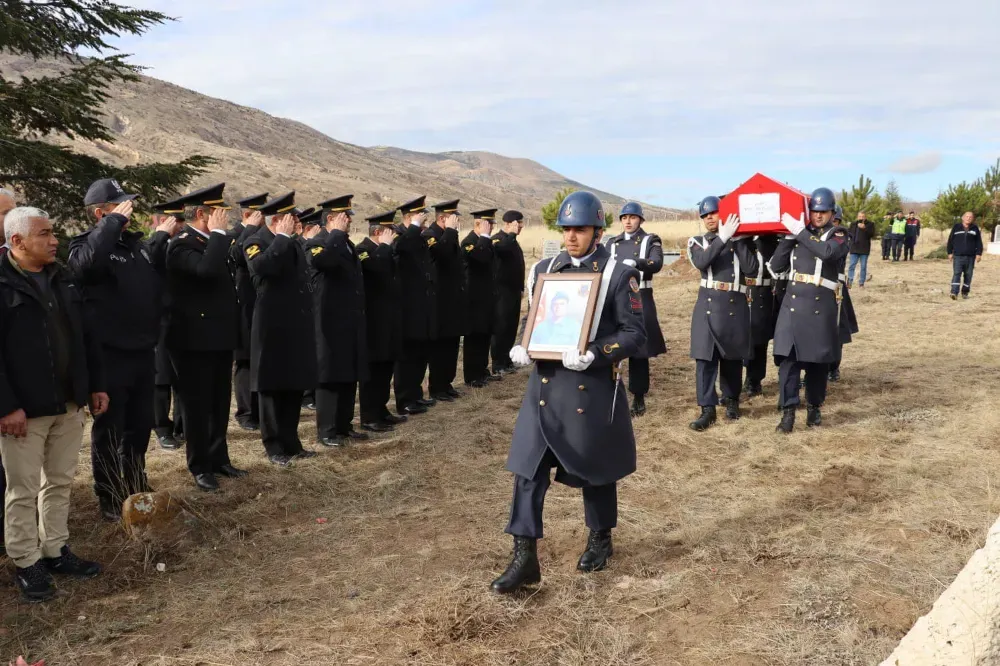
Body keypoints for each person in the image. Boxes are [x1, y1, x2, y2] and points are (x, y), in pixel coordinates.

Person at [490, 191, 645, 594]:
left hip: (588, 384)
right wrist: (524, 341)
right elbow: (535, 316)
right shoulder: (545, 268)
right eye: (566, 228)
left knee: (595, 468)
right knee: (527, 469)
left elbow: (633, 334)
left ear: (597, 230)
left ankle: (600, 537)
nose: (572, 236)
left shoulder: (617, 272)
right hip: (544, 386)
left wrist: (596, 353)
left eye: (580, 228)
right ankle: (524, 556)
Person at [0, 206, 108, 601]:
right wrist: (6, 406)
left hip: (67, 403)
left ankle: (55, 549)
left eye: (53, 233)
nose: (54, 240)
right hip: (23, 412)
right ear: (17, 241)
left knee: (59, 481)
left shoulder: (62, 278)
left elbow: (84, 338)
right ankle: (27, 562)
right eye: (44, 234)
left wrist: (94, 386)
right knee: (22, 489)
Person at [68, 178, 181, 520]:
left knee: (139, 426)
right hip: (109, 356)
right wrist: (111, 223)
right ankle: (108, 495)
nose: (128, 211)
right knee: (109, 430)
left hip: (142, 353)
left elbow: (153, 291)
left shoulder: (135, 248)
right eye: (119, 206)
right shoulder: (87, 245)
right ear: (101, 212)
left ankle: (135, 484)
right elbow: (84, 267)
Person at [164, 184, 247, 491]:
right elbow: (205, 271)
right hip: (192, 340)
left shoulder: (212, 242)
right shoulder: (183, 244)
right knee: (197, 406)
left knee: (219, 401)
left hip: (219, 336)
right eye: (219, 214)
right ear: (202, 214)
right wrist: (220, 235)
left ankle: (218, 457)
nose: (225, 220)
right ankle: (200, 465)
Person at [243, 192, 318, 466]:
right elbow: (263, 269)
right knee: (272, 388)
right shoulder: (255, 242)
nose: (297, 222)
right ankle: (274, 446)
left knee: (293, 385)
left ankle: (291, 442)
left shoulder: (294, 244)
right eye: (292, 217)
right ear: (279, 220)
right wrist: (282, 239)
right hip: (271, 327)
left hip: (295, 325)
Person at [767, 187, 851, 433]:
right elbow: (775, 266)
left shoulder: (840, 234)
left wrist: (800, 232)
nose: (818, 216)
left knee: (817, 363)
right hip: (792, 305)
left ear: (832, 212)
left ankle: (814, 405)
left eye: (823, 211)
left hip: (819, 304)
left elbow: (827, 253)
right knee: (788, 361)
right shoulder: (800, 234)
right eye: (814, 211)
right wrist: (789, 238)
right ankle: (788, 411)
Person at [304, 195, 370, 446]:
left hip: (348, 320)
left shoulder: (345, 243)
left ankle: (344, 425)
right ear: (331, 219)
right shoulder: (318, 242)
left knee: (347, 373)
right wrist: (335, 234)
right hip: (327, 321)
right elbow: (323, 262)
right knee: (329, 375)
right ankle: (327, 430)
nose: (349, 221)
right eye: (345, 217)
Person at [687, 197, 757, 430]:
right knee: (705, 358)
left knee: (732, 357)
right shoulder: (697, 242)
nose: (709, 218)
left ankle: (732, 400)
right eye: (705, 215)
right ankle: (707, 408)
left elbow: (752, 270)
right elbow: (702, 262)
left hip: (735, 304)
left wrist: (737, 240)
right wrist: (723, 237)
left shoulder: (742, 241)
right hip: (707, 304)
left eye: (714, 213)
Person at [604, 202, 666, 416]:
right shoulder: (612, 243)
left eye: (632, 217)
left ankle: (638, 396)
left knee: (639, 350)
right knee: (611, 345)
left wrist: (638, 263)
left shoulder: (651, 240)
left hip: (641, 296)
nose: (628, 221)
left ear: (640, 219)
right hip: (615, 298)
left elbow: (656, 263)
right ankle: (610, 389)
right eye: (624, 218)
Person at [357, 211, 405, 432]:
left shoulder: (386, 251)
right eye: (389, 232)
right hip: (373, 321)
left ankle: (381, 408)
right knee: (373, 370)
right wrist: (385, 247)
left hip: (390, 319)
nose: (393, 236)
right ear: (378, 232)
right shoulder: (363, 251)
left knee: (386, 366)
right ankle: (369, 415)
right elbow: (376, 269)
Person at [393, 196, 437, 415]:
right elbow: (400, 248)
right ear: (410, 217)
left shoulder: (417, 237)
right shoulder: (400, 235)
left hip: (423, 305)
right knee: (408, 356)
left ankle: (416, 395)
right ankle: (404, 399)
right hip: (407, 307)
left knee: (421, 353)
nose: (424, 220)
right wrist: (414, 227)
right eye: (420, 217)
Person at [231, 192, 269, 431]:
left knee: (260, 358)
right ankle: (246, 412)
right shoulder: (236, 234)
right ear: (248, 215)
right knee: (244, 361)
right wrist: (250, 229)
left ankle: (259, 408)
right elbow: (234, 256)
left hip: (260, 304)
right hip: (241, 305)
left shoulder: (263, 237)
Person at [150, 200, 185, 450]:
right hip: (159, 319)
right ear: (159, 221)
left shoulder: (185, 244)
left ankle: (184, 426)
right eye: (172, 220)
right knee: (161, 378)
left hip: (184, 318)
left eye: (180, 220)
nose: (177, 225)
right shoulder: (151, 245)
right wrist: (161, 236)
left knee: (184, 377)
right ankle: (162, 427)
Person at [425, 199, 468, 399]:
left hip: (453, 301)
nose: (457, 221)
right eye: (453, 217)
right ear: (443, 218)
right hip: (439, 302)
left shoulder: (449, 235)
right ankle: (437, 387)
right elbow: (439, 254)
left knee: (451, 345)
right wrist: (450, 232)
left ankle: (447, 383)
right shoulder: (430, 235)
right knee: (440, 347)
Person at [462, 209, 499, 387]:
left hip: (486, 299)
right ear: (478, 224)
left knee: (485, 336)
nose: (491, 228)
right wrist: (484, 237)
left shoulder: (486, 241)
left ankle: (482, 371)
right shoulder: (469, 242)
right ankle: (472, 375)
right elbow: (480, 258)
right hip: (474, 300)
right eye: (488, 224)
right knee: (474, 339)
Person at [490, 210, 526, 376]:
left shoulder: (513, 241)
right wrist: (511, 234)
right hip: (502, 292)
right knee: (501, 327)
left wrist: (520, 287)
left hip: (513, 291)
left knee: (511, 326)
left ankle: (506, 359)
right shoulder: (498, 239)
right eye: (518, 223)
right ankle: (498, 363)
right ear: (509, 223)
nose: (521, 227)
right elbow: (501, 250)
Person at [743, 234, 778, 397]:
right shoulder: (740, 240)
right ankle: (736, 381)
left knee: (759, 341)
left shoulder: (769, 240)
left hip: (763, 293)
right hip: (741, 292)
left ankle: (754, 380)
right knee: (739, 338)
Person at [828, 206, 859, 382]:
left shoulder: (841, 237)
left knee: (837, 329)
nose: (833, 223)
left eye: (835, 220)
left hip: (836, 287)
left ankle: (833, 367)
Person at [947, 211, 984, 300]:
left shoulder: (975, 228)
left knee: (968, 275)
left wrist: (978, 253)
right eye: (967, 216)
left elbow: (979, 242)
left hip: (970, 257)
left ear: (973, 219)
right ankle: (954, 293)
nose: (968, 218)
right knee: (957, 274)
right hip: (958, 256)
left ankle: (965, 292)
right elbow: (950, 240)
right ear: (963, 218)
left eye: (970, 217)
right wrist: (949, 252)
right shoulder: (956, 227)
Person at [847, 211, 875, 287]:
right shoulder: (853, 224)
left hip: (864, 249)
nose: (861, 218)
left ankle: (861, 283)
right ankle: (849, 282)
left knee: (863, 266)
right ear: (857, 217)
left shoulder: (870, 224)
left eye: (863, 216)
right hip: (854, 248)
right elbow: (849, 234)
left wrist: (864, 228)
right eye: (860, 216)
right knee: (852, 265)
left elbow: (872, 234)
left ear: (865, 217)